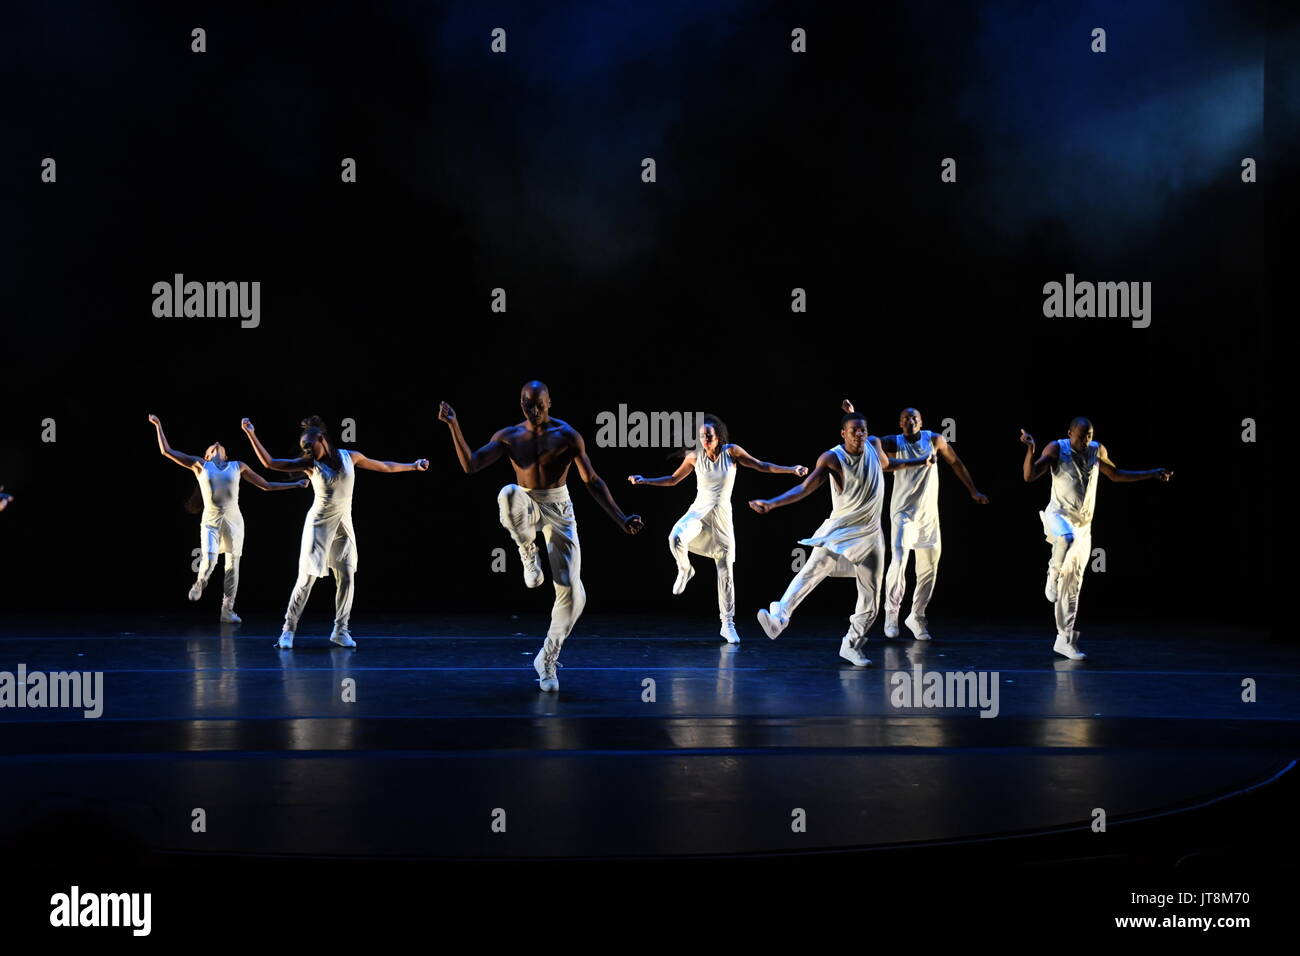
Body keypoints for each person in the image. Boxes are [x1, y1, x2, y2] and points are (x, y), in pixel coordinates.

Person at [439, 381, 643, 691]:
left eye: (539, 405)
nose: (533, 411)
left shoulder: (567, 436)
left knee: (573, 594)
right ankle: (526, 551)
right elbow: (471, 465)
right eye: (527, 405)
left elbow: (593, 481)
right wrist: (454, 425)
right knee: (507, 493)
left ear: (550, 402)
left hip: (559, 508)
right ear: (520, 403)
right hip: (526, 502)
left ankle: (547, 657)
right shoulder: (509, 436)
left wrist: (621, 518)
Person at [749, 408, 935, 666]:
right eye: (854, 430)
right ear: (843, 434)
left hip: (870, 536)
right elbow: (805, 488)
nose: (860, 434)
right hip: (840, 531)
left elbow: (890, 465)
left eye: (863, 429)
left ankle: (851, 644)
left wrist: (920, 461)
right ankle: (779, 617)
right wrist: (772, 503)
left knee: (871, 600)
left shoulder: (872, 446)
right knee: (812, 570)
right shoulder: (832, 459)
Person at [241, 415, 429, 648]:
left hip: (343, 524)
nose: (306, 449)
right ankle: (287, 630)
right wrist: (251, 433)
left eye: (308, 444)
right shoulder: (309, 464)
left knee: (347, 576)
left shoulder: (351, 457)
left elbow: (385, 466)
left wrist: (413, 465)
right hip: (318, 525)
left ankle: (340, 630)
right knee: (306, 578)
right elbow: (270, 463)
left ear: (321, 438)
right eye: (303, 447)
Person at [628, 414, 807, 643]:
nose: (705, 440)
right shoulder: (694, 457)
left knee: (725, 572)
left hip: (722, 517)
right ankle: (685, 569)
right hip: (698, 512)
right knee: (676, 537)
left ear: (718, 436)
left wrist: (792, 469)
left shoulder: (731, 452)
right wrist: (645, 480)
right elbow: (673, 479)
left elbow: (762, 466)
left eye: (709, 436)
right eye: (702, 437)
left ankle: (727, 624)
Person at [1021, 418, 1172, 660]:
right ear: (1070, 433)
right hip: (1058, 516)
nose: (1085, 440)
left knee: (1073, 583)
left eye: (1089, 435)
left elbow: (1116, 474)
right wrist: (1030, 450)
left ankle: (1064, 639)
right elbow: (1029, 476)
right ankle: (1052, 573)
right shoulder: (1057, 448)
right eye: (1080, 435)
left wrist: (1151, 474)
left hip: (1084, 526)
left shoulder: (1096, 450)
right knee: (1065, 538)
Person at [842, 400, 987, 641]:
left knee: (928, 569)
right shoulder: (893, 442)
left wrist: (973, 491)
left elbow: (956, 462)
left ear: (921, 422)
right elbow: (865, 442)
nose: (910, 421)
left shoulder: (935, 440)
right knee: (899, 560)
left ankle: (917, 616)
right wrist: (852, 414)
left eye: (915, 418)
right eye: (906, 418)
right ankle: (891, 613)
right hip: (902, 513)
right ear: (900, 424)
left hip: (928, 516)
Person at [148, 413, 305, 623]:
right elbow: (166, 451)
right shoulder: (200, 465)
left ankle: (227, 609)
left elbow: (266, 485)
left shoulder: (237, 466)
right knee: (210, 557)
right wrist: (158, 425)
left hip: (234, 522)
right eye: (212, 446)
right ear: (207, 455)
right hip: (211, 521)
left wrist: (294, 484)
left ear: (226, 454)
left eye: (219, 445)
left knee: (232, 565)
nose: (216, 444)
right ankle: (201, 581)